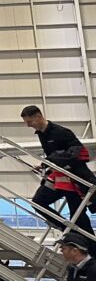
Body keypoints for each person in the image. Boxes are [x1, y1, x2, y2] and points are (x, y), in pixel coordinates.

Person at [23, 105, 96, 254]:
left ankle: (92, 250)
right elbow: (55, 157)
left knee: (78, 217)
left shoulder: (61, 132)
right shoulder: (41, 133)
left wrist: (52, 160)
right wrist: (45, 165)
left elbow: (77, 152)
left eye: (30, 121)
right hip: (60, 178)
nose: (28, 125)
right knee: (39, 202)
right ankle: (70, 231)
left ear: (38, 116)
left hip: (75, 179)